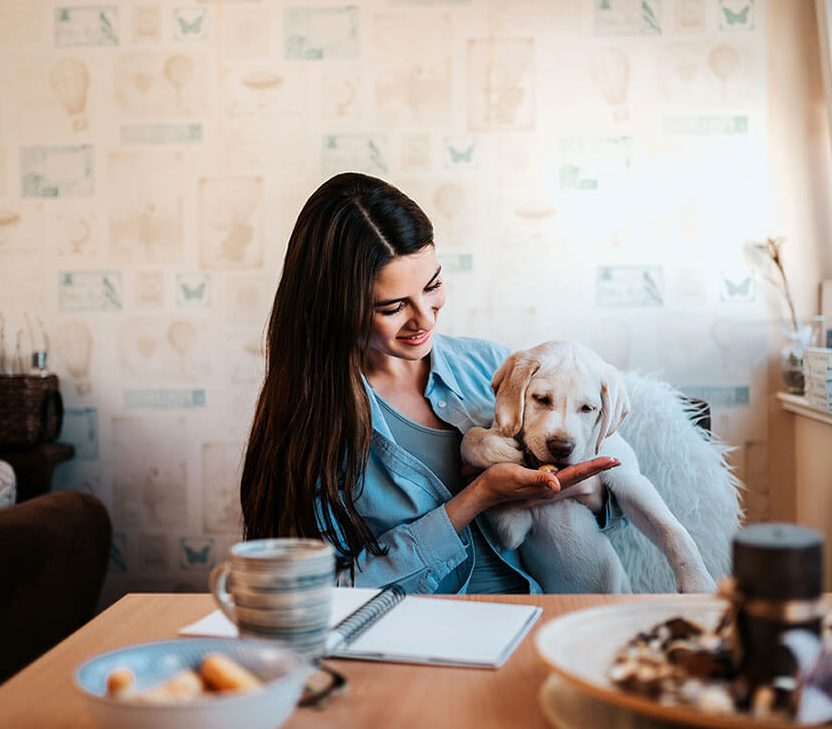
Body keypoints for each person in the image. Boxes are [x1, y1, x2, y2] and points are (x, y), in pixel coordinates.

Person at [239, 173, 622, 595]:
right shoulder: (314, 425)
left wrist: (587, 493)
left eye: (433, 285)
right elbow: (327, 592)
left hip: (539, 615)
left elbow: (611, 515)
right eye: (393, 306)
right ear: (337, 308)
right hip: (407, 634)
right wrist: (475, 499)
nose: (425, 319)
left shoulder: (492, 366)